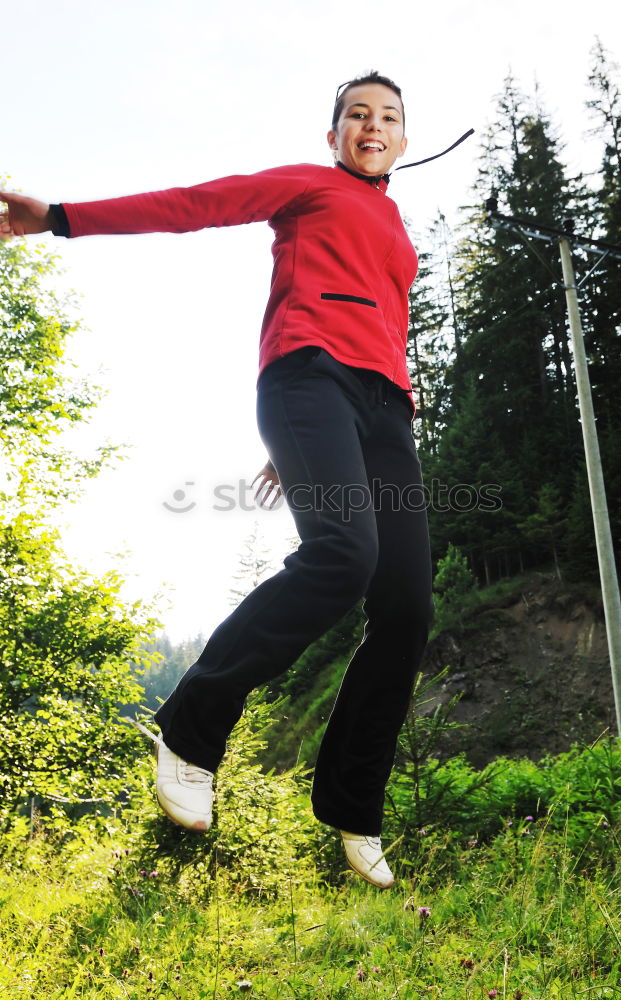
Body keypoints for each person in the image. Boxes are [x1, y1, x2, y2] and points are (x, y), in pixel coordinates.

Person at [0, 71, 435, 890]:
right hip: (309, 377)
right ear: (333, 133)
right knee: (343, 557)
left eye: (388, 118)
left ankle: (353, 808)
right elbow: (196, 203)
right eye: (356, 115)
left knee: (409, 605)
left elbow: (387, 325)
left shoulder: (397, 229)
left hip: (380, 411)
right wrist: (60, 219)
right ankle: (193, 732)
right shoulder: (309, 184)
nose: (372, 126)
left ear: (403, 141)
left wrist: (316, 444)